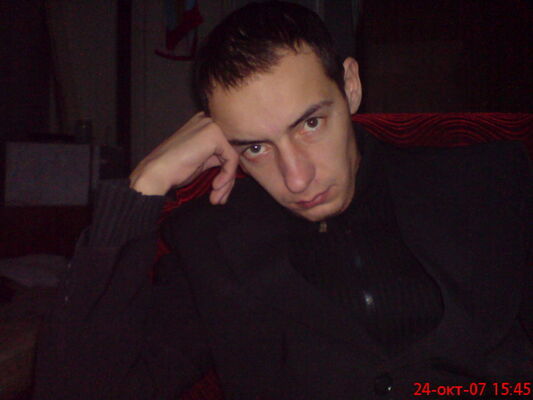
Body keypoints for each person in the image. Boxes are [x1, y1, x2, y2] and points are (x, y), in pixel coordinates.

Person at [33, 1, 532, 399]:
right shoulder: (208, 242)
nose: (296, 179)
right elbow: (79, 388)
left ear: (351, 86)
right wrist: (145, 184)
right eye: (255, 147)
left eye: (310, 123)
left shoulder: (488, 180)